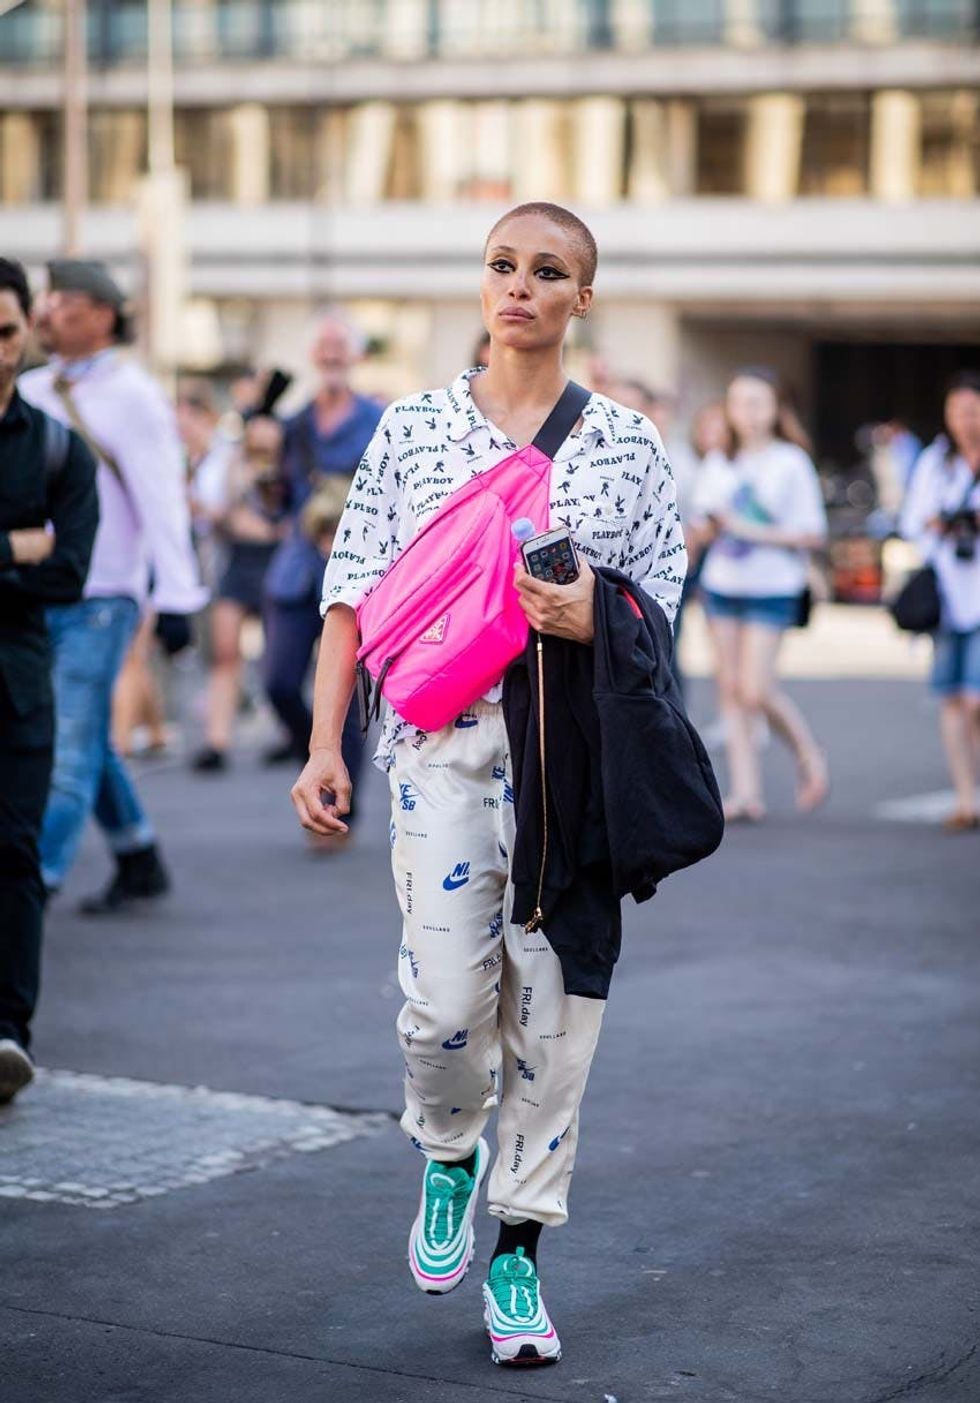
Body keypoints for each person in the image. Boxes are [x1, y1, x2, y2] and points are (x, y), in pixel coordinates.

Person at [290, 202, 686, 1367]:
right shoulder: (412, 427)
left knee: (555, 1014)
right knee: (445, 1008)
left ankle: (518, 1248)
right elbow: (351, 591)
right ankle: (448, 1146)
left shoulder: (625, 444)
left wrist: (594, 612)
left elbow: (661, 606)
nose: (519, 285)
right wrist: (322, 744)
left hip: (571, 758)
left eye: (546, 270)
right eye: (502, 264)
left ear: (581, 298)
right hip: (440, 746)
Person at [19, 260, 207, 914]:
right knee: (86, 739)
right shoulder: (32, 389)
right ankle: (137, 854)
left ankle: (27, 889)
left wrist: (177, 599)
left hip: (103, 596)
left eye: (62, 301)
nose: (46, 312)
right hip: (33, 589)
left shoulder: (134, 395)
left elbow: (162, 500)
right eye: (44, 301)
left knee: (64, 749)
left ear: (102, 314)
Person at [0, 258, 98, 1102]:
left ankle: (8, 1034)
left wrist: (38, 555)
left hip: (16, 682)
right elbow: (36, 560)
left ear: (25, 333)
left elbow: (66, 574)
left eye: (3, 332)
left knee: (14, 854)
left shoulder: (59, 447)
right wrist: (12, 546)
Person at [261, 313, 382, 829]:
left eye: (340, 344)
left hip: (356, 573)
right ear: (313, 355)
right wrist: (260, 462)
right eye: (324, 344)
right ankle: (314, 762)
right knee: (278, 683)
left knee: (343, 696)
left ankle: (336, 802)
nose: (331, 352)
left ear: (355, 355)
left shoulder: (379, 419)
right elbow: (273, 502)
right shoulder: (292, 425)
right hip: (296, 570)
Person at [693, 367, 828, 822]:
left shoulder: (791, 461)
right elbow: (703, 523)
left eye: (757, 403)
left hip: (773, 587)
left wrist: (750, 530)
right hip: (723, 586)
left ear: (775, 408)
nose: (747, 413)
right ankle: (746, 792)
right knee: (731, 689)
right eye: (739, 403)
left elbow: (812, 534)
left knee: (756, 688)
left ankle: (807, 752)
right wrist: (708, 528)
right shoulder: (719, 461)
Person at [900, 371, 980, 831]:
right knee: (951, 698)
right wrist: (940, 523)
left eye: (972, 411)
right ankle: (965, 798)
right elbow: (912, 521)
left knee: (975, 700)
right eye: (956, 412)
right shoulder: (936, 461)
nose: (964, 420)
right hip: (949, 596)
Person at [192, 413, 286, 771]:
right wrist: (232, 514)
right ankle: (216, 740)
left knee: (278, 655)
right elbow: (211, 509)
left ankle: (288, 732)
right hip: (239, 561)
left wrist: (273, 529)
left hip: (277, 562)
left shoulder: (293, 463)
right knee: (225, 653)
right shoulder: (230, 464)